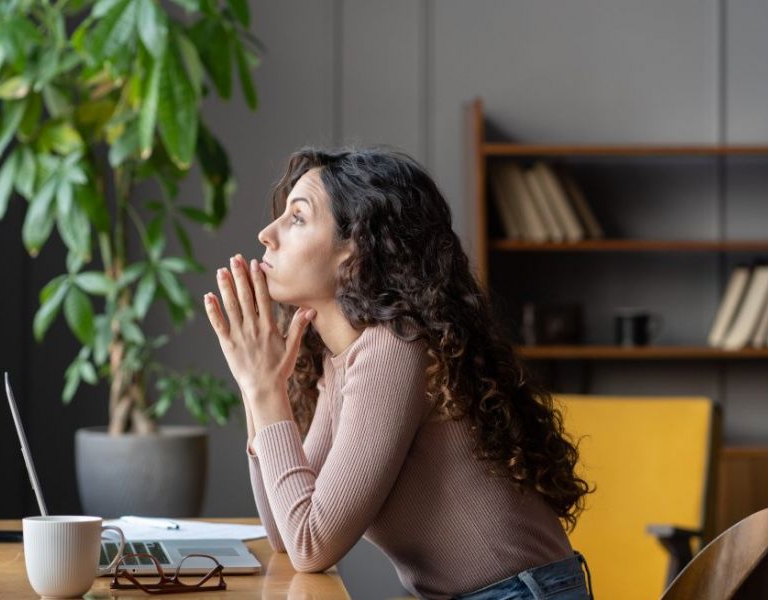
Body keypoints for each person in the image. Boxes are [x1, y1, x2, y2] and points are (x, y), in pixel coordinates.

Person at [202, 146, 593, 600]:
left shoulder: (395, 347)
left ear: (357, 250)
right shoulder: (344, 360)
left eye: (298, 217)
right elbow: (285, 535)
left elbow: (311, 544)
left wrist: (266, 390)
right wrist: (257, 389)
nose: (267, 234)